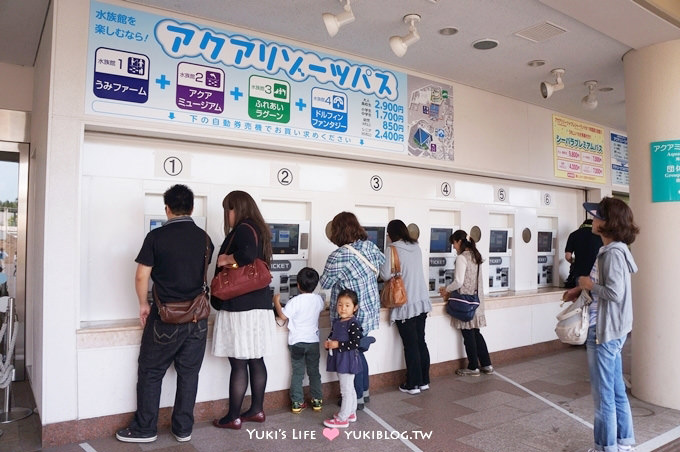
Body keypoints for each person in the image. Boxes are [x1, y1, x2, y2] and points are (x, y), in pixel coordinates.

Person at [116, 184, 214, 443]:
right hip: (197, 319)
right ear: (192, 208)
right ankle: (183, 429)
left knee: (151, 372)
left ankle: (145, 429)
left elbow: (141, 276)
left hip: (165, 319)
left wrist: (142, 304)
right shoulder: (205, 239)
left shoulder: (155, 238)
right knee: (189, 374)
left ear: (167, 209)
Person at [568, 198, 639, 452]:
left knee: (603, 397)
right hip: (613, 330)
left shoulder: (612, 254)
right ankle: (624, 443)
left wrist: (588, 285)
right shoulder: (616, 251)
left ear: (609, 223)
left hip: (604, 331)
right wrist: (581, 289)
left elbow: (614, 293)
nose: (593, 221)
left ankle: (605, 447)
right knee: (616, 390)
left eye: (598, 217)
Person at [211, 190, 275, 430]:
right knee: (256, 359)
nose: (226, 214)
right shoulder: (259, 228)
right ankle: (257, 410)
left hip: (240, 307)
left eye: (227, 208)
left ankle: (233, 416)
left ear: (235, 209)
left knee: (238, 363)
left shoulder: (244, 228)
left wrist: (226, 260)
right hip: (258, 306)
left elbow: (246, 255)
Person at [320, 212, 385, 410]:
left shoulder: (339, 255)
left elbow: (324, 283)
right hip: (369, 310)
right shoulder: (369, 246)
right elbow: (382, 266)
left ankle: (355, 399)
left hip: (350, 316)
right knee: (358, 352)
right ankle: (364, 393)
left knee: (351, 356)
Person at [379, 219, 431, 394]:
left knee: (410, 345)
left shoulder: (392, 248)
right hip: (421, 301)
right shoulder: (416, 246)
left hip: (405, 303)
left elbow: (385, 274)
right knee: (420, 341)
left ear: (390, 234)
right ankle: (424, 380)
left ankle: (412, 384)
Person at [439, 230, 493, 377]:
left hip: (465, 302)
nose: (454, 247)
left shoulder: (462, 257)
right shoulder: (476, 255)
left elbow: (459, 282)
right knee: (476, 332)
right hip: (476, 300)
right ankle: (486, 364)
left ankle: (473, 367)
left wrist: (446, 290)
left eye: (454, 243)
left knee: (468, 334)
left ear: (460, 241)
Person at [272, 267, 325, 413]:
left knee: (298, 373)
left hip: (297, 342)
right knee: (314, 372)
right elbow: (321, 308)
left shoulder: (294, 301)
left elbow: (283, 316)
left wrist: (276, 301)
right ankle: (317, 400)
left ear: (298, 285)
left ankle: (297, 402)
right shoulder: (318, 300)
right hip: (313, 342)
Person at [323, 289, 362, 428]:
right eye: (340, 305)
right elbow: (333, 336)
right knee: (349, 388)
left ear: (355, 307)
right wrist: (328, 344)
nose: (343, 308)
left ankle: (342, 418)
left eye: (347, 305)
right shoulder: (337, 321)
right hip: (340, 359)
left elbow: (355, 343)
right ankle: (351, 412)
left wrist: (337, 344)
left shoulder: (353, 324)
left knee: (345, 390)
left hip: (348, 361)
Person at [564, 219, 603, 288]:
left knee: (581, 297)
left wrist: (574, 262)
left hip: (580, 273)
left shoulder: (573, 235)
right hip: (597, 273)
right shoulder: (600, 236)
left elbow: (568, 256)